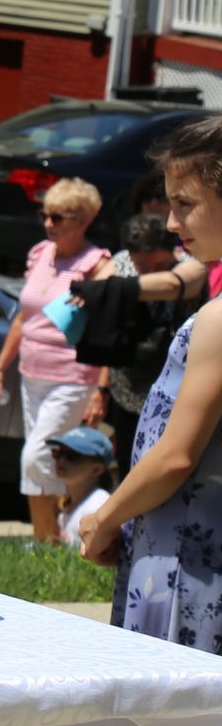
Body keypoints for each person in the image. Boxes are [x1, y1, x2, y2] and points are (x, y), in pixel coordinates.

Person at [79, 117, 222, 653]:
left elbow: (177, 456)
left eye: (185, 203)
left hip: (189, 560)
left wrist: (104, 518)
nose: (171, 222)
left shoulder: (219, 320)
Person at [0, 178, 111, 543]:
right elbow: (23, 318)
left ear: (83, 220)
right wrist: (0, 365)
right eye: (45, 214)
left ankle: (51, 538)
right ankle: (47, 540)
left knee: (36, 457)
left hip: (72, 377)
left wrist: (101, 389)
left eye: (58, 217)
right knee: (43, 460)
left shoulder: (97, 264)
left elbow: (107, 330)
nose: (48, 223)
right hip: (32, 374)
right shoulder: (40, 252)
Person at [93, 214, 202, 472]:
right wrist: (101, 388)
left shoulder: (190, 266)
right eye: (141, 265)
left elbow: (172, 285)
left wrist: (114, 290)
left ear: (172, 252)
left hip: (173, 403)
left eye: (159, 265)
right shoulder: (121, 263)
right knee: (126, 470)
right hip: (126, 396)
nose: (151, 272)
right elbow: (93, 299)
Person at [45, 425, 114, 550]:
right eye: (58, 453)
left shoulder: (97, 506)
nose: (61, 460)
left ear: (97, 469)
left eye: (72, 456)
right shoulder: (67, 503)